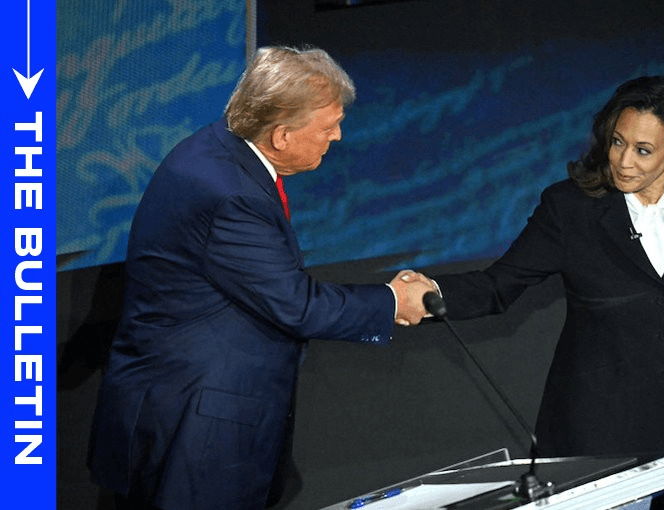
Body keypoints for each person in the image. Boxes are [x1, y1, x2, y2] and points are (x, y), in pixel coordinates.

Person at [87, 46, 434, 510]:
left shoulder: (218, 148)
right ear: (283, 135)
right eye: (328, 126)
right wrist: (393, 301)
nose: (338, 136)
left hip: (180, 404)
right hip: (197, 425)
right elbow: (296, 304)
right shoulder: (232, 195)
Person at [410, 76, 664, 509]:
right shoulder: (570, 208)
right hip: (600, 439)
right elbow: (498, 285)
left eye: (643, 150)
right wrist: (427, 294)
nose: (624, 161)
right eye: (617, 142)